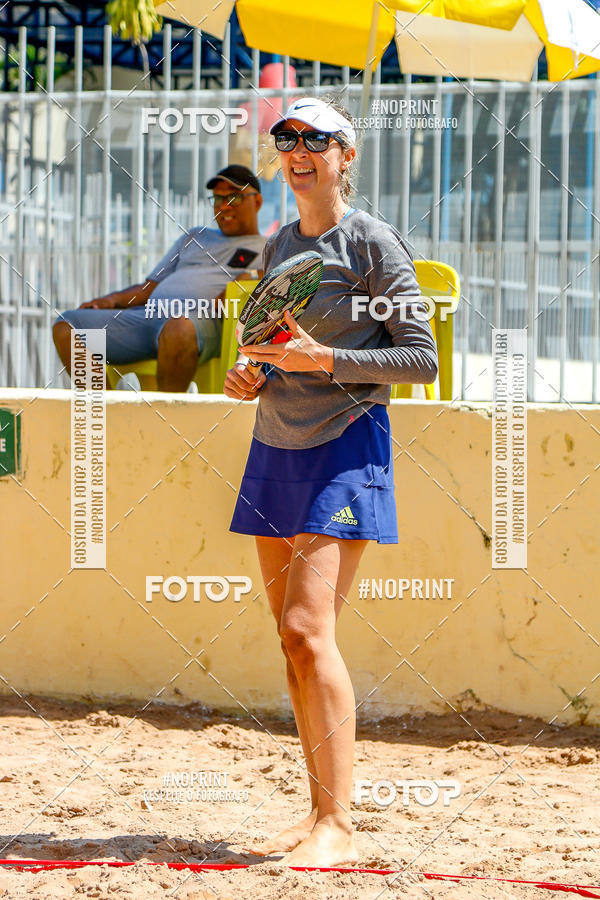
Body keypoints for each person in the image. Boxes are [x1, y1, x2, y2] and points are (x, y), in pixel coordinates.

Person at [224, 97, 438, 868]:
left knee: (312, 630)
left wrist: (328, 360)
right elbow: (262, 345)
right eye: (287, 138)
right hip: (275, 442)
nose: (299, 149)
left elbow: (422, 359)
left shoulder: (373, 242)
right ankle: (319, 812)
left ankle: (340, 828)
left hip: (345, 444)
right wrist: (246, 374)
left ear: (347, 156)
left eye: (318, 139)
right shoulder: (281, 243)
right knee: (291, 640)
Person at [53, 165, 265, 391]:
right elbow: (149, 287)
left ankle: (166, 422)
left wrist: (252, 276)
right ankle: (109, 415)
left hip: (203, 322)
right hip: (148, 316)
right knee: (68, 326)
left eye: (234, 197)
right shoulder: (195, 236)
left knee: (178, 328)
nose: (224, 206)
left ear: (257, 202)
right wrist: (111, 300)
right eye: (217, 198)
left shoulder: (268, 247)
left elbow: (275, 282)